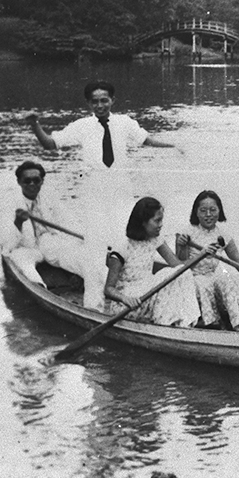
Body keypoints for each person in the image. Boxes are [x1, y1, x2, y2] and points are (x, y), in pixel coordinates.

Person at [24, 80, 179, 309]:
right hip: (95, 193)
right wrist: (35, 125)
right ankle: (94, 307)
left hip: (121, 191)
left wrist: (174, 147)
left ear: (112, 100)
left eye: (104, 100)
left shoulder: (124, 123)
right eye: (95, 101)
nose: (100, 105)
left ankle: (131, 299)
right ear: (88, 103)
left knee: (128, 243)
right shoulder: (82, 126)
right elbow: (50, 144)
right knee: (95, 254)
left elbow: (147, 140)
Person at [104, 197, 201, 326]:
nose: (161, 224)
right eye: (157, 221)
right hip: (129, 305)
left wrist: (202, 254)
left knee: (184, 273)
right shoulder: (122, 248)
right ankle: (165, 323)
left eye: (161, 220)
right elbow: (108, 289)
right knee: (167, 274)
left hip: (147, 295)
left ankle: (185, 322)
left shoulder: (155, 239)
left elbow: (179, 267)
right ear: (143, 222)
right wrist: (126, 299)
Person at [175, 190, 239, 332]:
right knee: (203, 284)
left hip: (212, 276)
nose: (208, 215)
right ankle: (212, 323)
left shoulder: (223, 235)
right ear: (196, 212)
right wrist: (185, 246)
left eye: (213, 210)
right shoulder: (185, 233)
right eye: (203, 210)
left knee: (230, 281)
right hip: (191, 278)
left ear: (219, 211)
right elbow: (179, 266)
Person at [2, 161, 91, 296]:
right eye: (27, 181)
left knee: (76, 255)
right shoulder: (10, 203)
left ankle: (91, 281)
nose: (32, 184)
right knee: (20, 260)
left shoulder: (50, 197)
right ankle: (41, 290)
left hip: (48, 242)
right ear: (19, 182)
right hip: (27, 248)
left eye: (36, 180)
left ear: (42, 181)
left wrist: (84, 239)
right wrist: (18, 222)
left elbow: (68, 221)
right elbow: (8, 245)